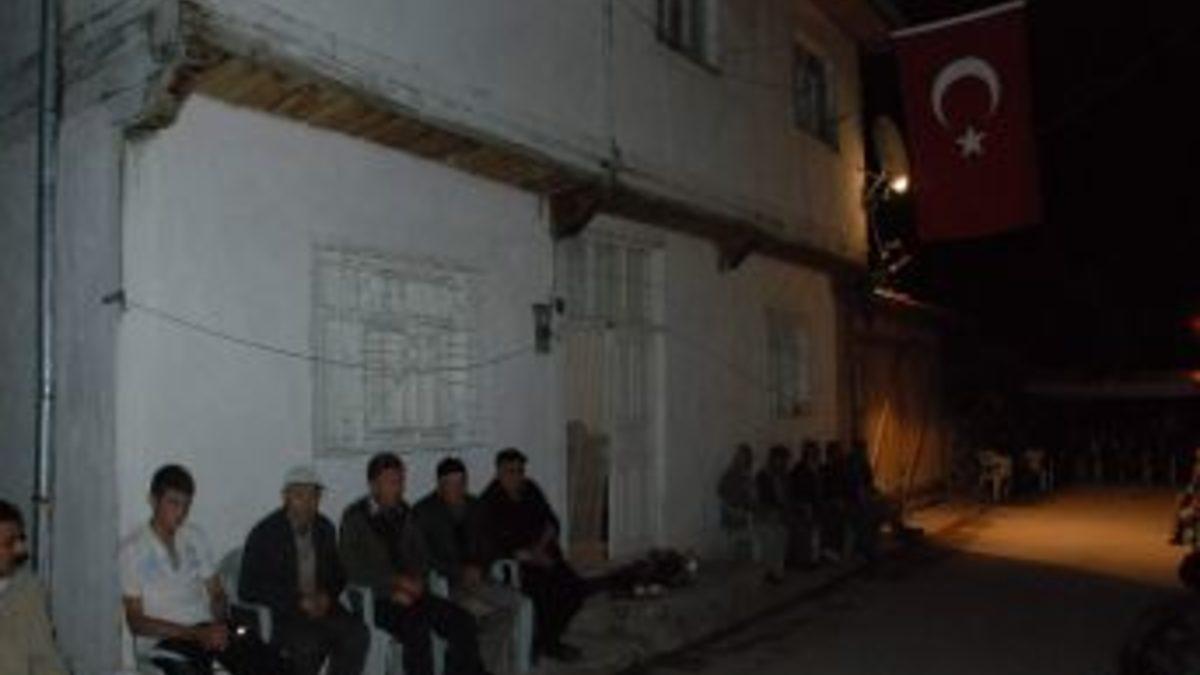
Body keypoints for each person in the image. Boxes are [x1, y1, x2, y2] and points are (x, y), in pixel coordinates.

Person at [120, 465, 285, 675]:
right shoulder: (133, 549)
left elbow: (216, 592)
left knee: (269, 660)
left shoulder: (194, 536)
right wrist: (195, 634)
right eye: (173, 503)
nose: (181, 513)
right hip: (165, 640)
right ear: (153, 501)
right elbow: (137, 622)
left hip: (205, 629)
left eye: (186, 505)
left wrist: (219, 621)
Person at [340, 452, 490, 675]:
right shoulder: (355, 517)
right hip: (377, 598)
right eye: (391, 482)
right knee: (416, 628)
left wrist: (418, 580)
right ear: (373, 485)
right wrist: (395, 584)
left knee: (462, 620)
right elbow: (352, 569)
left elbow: (421, 556)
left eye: (400, 481)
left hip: (413, 592)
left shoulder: (404, 511)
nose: (399, 488)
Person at [240, 465, 368, 675]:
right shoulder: (265, 533)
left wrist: (327, 596)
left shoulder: (324, 527)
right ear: (285, 497)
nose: (307, 504)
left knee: (357, 634)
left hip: (323, 607)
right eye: (299, 495)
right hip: (286, 612)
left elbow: (338, 574)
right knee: (308, 643)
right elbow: (247, 587)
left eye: (313, 496)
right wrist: (297, 601)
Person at [414, 457, 530, 675]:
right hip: (446, 584)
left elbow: (490, 545)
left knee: (517, 603)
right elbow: (423, 557)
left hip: (479, 578)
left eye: (461, 483)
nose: (457, 489)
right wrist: (458, 571)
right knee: (470, 616)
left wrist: (479, 566)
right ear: (439, 485)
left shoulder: (476, 506)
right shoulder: (423, 512)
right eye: (451, 484)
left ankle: (485, 666)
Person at [479, 448, 587, 663]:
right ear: (499, 472)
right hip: (518, 565)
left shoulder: (530, 489)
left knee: (575, 588)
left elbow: (551, 521)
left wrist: (540, 548)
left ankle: (548, 640)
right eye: (511, 471)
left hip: (543, 554)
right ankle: (539, 643)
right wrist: (529, 556)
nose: (516, 477)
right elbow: (493, 544)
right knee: (543, 592)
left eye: (520, 471)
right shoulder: (489, 501)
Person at [0, 499, 68, 675]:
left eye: (21, 540)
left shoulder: (28, 591)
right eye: (9, 543)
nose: (20, 550)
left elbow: (46, 659)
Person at [753, 445, 793, 582]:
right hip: (765, 516)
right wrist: (771, 511)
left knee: (782, 538)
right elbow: (760, 499)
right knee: (770, 539)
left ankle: (778, 571)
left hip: (780, 516)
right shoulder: (763, 476)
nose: (782, 463)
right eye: (780, 459)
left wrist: (785, 511)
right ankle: (770, 570)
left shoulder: (784, 476)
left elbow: (787, 497)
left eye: (784, 460)